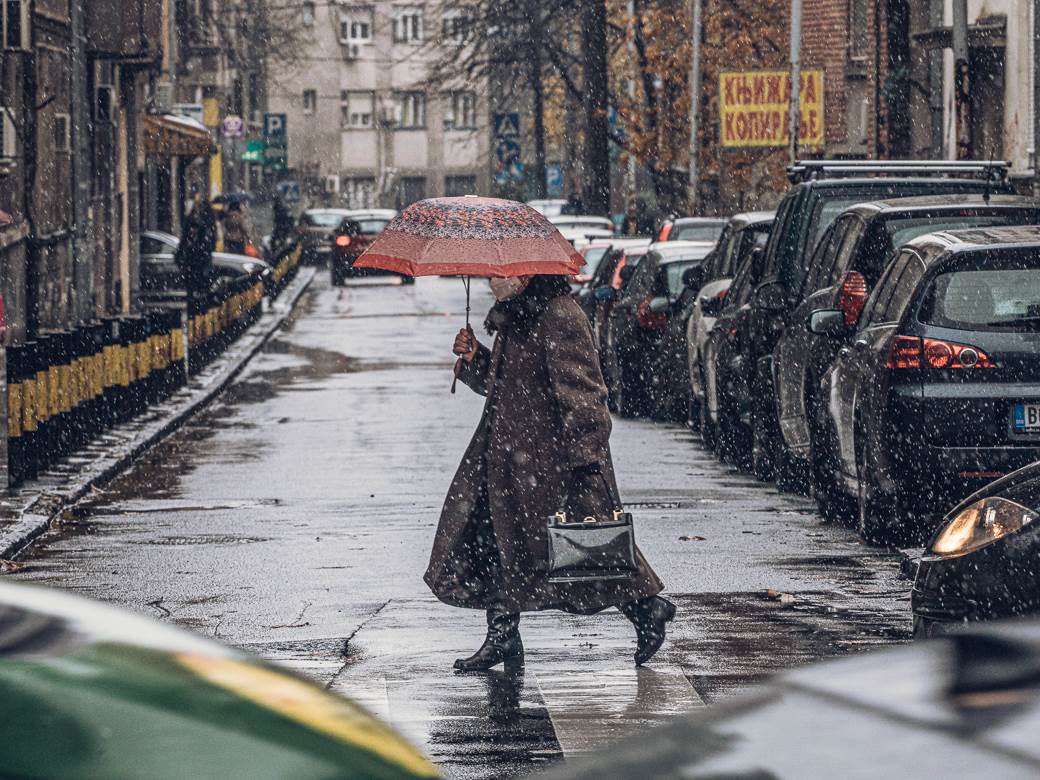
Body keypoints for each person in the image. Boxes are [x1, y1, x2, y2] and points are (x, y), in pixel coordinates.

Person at [425, 273, 674, 672]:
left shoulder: (560, 315)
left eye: (498, 274)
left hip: (551, 465)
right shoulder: (514, 316)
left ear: (525, 275)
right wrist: (476, 359)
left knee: (587, 550)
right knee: (494, 543)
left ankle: (647, 607)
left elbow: (586, 394)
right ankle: (502, 635)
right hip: (508, 460)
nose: (492, 281)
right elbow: (507, 385)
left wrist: (585, 461)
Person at [175, 194, 216, 302]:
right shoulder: (198, 221)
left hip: (198, 262)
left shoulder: (205, 223)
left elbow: (208, 243)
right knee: (195, 290)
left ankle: (197, 309)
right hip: (194, 263)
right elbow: (183, 242)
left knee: (198, 290)